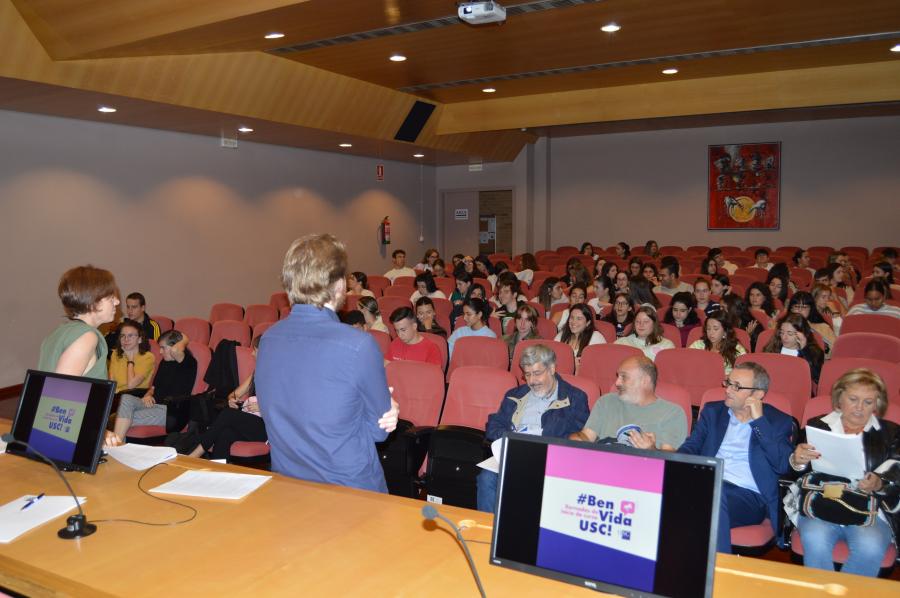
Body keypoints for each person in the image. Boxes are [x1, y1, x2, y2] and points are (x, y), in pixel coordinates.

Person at [256, 234, 399, 493]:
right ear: (340, 285)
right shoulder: (358, 344)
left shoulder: (268, 339)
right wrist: (387, 409)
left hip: (289, 485)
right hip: (349, 489)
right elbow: (380, 432)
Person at [786, 369, 899, 577]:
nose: (859, 408)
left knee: (870, 546)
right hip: (822, 502)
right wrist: (798, 461)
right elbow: (795, 473)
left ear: (877, 404)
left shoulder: (891, 433)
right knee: (815, 540)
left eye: (868, 402)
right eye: (853, 399)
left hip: (870, 509)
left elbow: (897, 474)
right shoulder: (818, 425)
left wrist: (879, 483)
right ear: (839, 398)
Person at [679, 362, 795, 554]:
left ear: (757, 394)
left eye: (737, 386)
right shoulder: (712, 412)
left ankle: (719, 575)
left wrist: (759, 422)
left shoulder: (777, 421)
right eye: (728, 383)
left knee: (711, 498)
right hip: (706, 484)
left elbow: (783, 465)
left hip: (748, 497)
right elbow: (692, 447)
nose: (728, 390)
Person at [477, 344, 590, 512]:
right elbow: (494, 425)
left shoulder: (574, 397)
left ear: (551, 368)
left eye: (537, 374)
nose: (532, 381)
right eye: (527, 374)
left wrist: (543, 442)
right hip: (516, 453)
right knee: (486, 479)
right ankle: (487, 533)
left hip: (552, 459)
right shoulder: (515, 395)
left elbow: (581, 438)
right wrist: (513, 437)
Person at [38, 265, 122, 448]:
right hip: (68, 441)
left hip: (51, 435)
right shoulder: (87, 337)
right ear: (93, 302)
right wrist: (98, 432)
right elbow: (59, 398)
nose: (116, 302)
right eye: (110, 297)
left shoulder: (58, 333)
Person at [570, 356, 687, 450]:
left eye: (624, 377)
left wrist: (651, 451)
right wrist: (577, 439)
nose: (617, 382)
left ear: (645, 381)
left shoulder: (673, 413)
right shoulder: (606, 401)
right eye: (618, 376)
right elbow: (587, 436)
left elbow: (670, 461)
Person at [187, 336, 266, 460]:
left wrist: (264, 407)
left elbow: (286, 406)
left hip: (268, 427)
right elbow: (233, 395)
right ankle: (217, 470)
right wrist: (232, 400)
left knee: (228, 414)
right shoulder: (257, 373)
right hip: (252, 422)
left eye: (255, 350)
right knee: (225, 433)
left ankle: (195, 454)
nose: (252, 353)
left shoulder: (280, 375)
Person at [112, 328, 198, 441]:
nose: (160, 352)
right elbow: (153, 387)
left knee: (121, 418)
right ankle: (116, 446)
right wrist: (148, 395)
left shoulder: (188, 362)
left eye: (163, 348)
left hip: (170, 410)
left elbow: (179, 347)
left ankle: (114, 447)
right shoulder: (164, 362)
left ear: (174, 347)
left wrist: (183, 340)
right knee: (126, 398)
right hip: (152, 404)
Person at [762, 313, 825, 384]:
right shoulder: (772, 348)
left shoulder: (814, 352)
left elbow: (816, 378)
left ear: (802, 334)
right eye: (782, 333)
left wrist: (804, 349)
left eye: (790, 334)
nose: (784, 337)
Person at [688, 310, 746, 374]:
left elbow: (744, 373)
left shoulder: (737, 350)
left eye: (716, 329)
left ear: (725, 331)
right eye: (708, 328)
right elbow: (687, 366)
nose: (711, 333)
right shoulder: (697, 345)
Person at [108, 319, 154, 395]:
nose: (126, 339)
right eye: (123, 336)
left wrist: (130, 361)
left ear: (139, 339)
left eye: (130, 336)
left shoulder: (148, 357)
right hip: (116, 394)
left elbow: (131, 385)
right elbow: (112, 382)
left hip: (134, 396)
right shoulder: (115, 354)